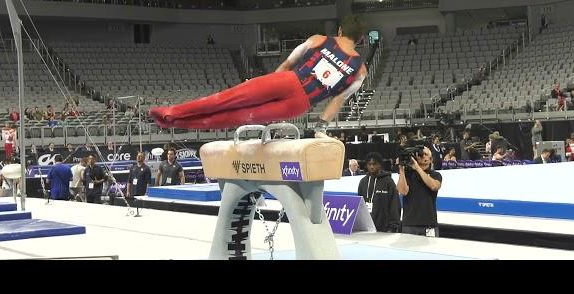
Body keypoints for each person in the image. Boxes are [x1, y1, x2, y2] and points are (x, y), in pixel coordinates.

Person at [149, 15, 367, 132]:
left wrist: (272, 84)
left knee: (226, 99)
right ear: (359, 40)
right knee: (237, 118)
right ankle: (175, 123)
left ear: (340, 30)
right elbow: (338, 100)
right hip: (300, 105)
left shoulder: (319, 39)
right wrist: (321, 127)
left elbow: (288, 63)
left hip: (287, 81)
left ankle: (172, 112)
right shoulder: (360, 70)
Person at [396, 145, 442, 237]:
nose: (423, 156)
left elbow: (434, 186)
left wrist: (417, 168)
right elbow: (403, 191)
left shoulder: (435, 175)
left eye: (425, 154)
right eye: (420, 154)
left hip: (429, 224)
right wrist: (401, 169)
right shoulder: (409, 174)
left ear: (430, 158)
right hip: (409, 223)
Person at [357, 152, 400, 233]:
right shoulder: (363, 182)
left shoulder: (388, 182)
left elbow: (394, 204)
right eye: (369, 164)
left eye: (374, 164)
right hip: (366, 228)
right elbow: (359, 205)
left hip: (385, 228)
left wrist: (393, 227)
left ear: (380, 165)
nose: (372, 167)